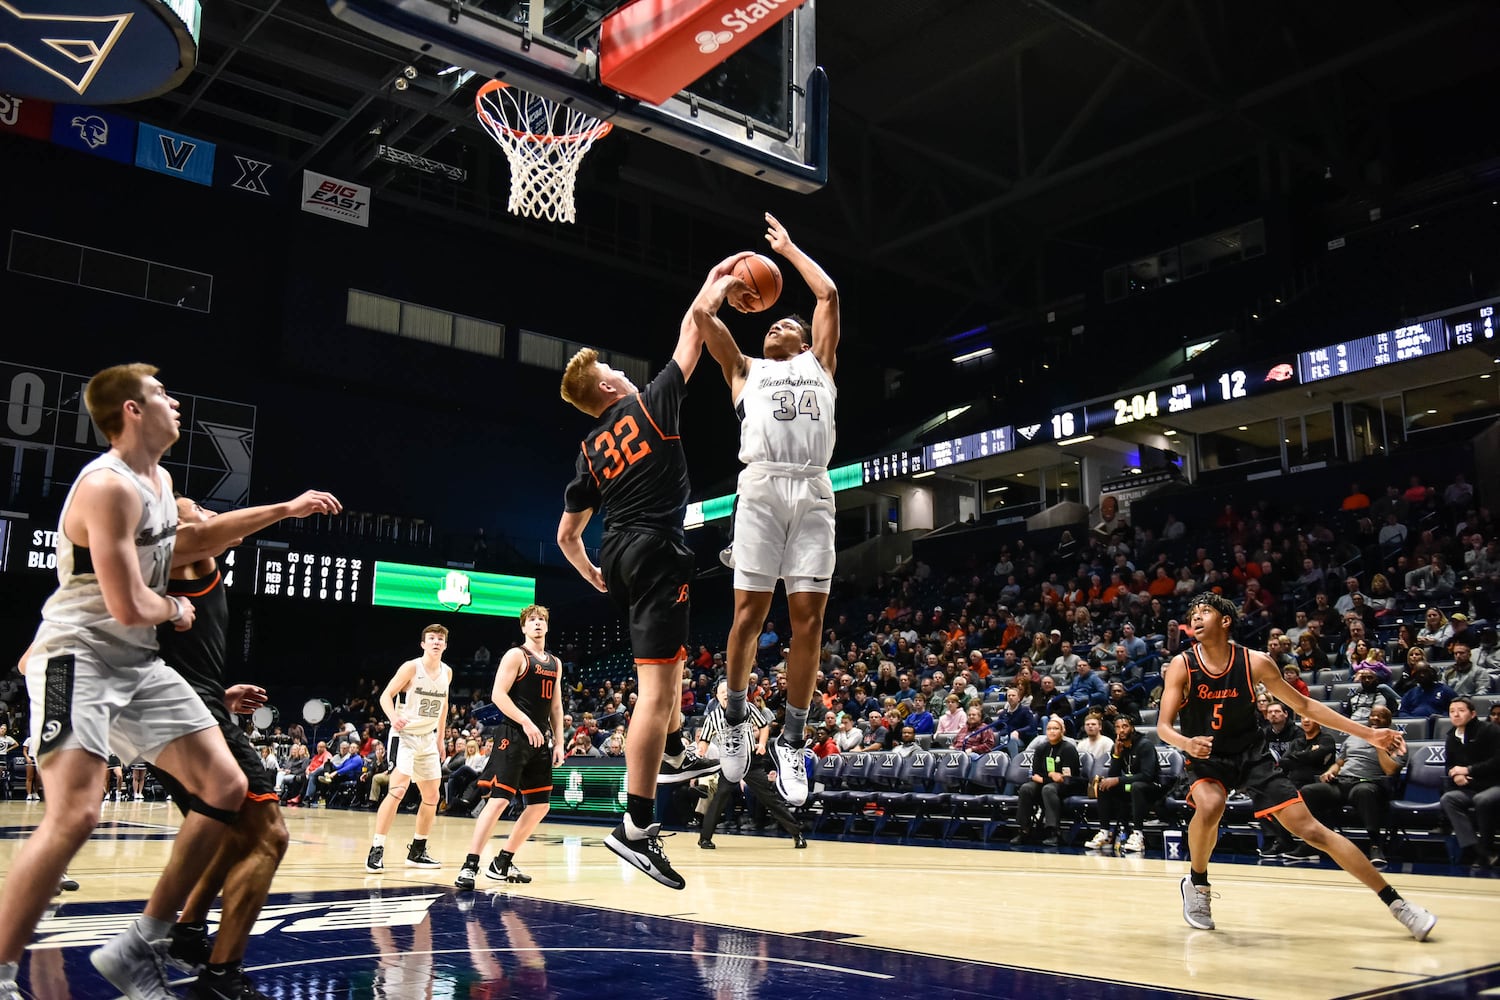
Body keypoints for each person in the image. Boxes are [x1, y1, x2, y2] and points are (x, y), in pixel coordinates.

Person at [0, 364, 265, 1000]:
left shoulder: (161, 479)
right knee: (76, 814)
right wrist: (175, 608)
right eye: (161, 395)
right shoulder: (107, 486)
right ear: (132, 411)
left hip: (136, 662)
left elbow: (186, 546)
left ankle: (138, 945)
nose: (175, 402)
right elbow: (128, 605)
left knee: (225, 785)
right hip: (79, 657)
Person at [556, 254, 739, 891]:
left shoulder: (589, 447)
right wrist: (715, 280)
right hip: (657, 550)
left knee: (671, 673)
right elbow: (695, 327)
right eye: (614, 371)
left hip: (623, 554)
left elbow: (566, 535)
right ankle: (634, 827)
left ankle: (675, 751)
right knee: (655, 695)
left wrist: (595, 574)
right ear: (609, 390)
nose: (623, 373)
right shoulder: (653, 404)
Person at [147, 490, 341, 1000]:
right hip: (187, 716)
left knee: (233, 830)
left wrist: (220, 692)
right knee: (269, 836)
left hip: (191, 707)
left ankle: (187, 930)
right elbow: (226, 531)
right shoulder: (172, 544)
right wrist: (288, 508)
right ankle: (221, 975)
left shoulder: (189, 560)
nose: (208, 512)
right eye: (195, 506)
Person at [1156, 592, 1436, 939]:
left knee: (1312, 831)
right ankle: (1197, 883)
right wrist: (1186, 743)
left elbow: (1305, 705)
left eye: (1205, 612)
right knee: (1211, 805)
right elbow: (1163, 727)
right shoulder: (1184, 664)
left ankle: (1399, 905)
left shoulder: (1255, 662)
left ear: (1225, 621)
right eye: (1192, 613)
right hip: (1206, 757)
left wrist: (1371, 734)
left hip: (1251, 756)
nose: (1195, 618)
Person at [697, 213, 840, 811]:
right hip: (758, 487)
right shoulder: (744, 370)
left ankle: (793, 739)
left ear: (805, 344)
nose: (778, 322)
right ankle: (733, 714)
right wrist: (724, 276)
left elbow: (828, 293)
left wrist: (788, 249)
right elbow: (704, 317)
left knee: (807, 621)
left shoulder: (820, 366)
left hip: (812, 490)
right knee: (749, 615)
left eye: (789, 322)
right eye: (774, 319)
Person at [455, 605, 565, 890]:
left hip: (540, 739)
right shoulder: (517, 655)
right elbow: (498, 695)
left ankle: (502, 862)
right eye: (532, 620)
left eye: (542, 619)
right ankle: (470, 864)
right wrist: (526, 722)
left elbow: (556, 704)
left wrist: (560, 742)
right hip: (513, 734)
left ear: (548, 626)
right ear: (524, 627)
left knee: (539, 806)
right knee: (500, 800)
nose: (538, 623)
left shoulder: (555, 662)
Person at [365, 624, 453, 873]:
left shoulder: (447, 673)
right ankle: (377, 848)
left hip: (428, 738)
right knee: (398, 789)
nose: (436, 642)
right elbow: (385, 695)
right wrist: (393, 717)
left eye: (440, 639)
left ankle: (417, 851)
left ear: (445, 645)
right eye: (431, 638)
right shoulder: (411, 667)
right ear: (423, 644)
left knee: (432, 796)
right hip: (404, 736)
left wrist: (440, 739)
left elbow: (444, 706)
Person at [696, 679, 805, 849]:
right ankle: (704, 838)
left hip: (750, 760)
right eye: (722, 692)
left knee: (770, 798)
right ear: (717, 697)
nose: (726, 694)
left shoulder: (748, 707)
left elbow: (763, 726)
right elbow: (705, 740)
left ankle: (797, 833)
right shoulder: (712, 717)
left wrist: (762, 743)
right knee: (719, 798)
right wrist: (700, 752)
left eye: (728, 692)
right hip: (730, 762)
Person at [1296, 705, 1405, 867]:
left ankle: (1375, 845)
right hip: (1341, 782)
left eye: (1380, 716)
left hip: (1367, 783)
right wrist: (1330, 772)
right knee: (1308, 791)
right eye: (1373, 715)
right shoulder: (1354, 737)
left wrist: (1379, 745)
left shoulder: (1395, 740)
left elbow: (1391, 771)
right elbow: (1339, 763)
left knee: (1364, 792)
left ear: (1388, 721)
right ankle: (1314, 843)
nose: (1375, 718)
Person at [1084, 716, 1162, 854]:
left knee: (1137, 786)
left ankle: (1138, 835)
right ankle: (1105, 833)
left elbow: (1147, 775)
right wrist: (1116, 756)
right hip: (1130, 787)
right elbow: (1113, 775)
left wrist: (1118, 780)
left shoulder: (1145, 745)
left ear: (1132, 728)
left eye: (1125, 726)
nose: (1121, 730)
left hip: (1153, 788)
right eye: (1118, 727)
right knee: (1104, 785)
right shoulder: (1118, 746)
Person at [1439, 697, 1500, 868]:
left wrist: (1469, 770)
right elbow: (1450, 765)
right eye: (1452, 711)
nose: (1456, 714)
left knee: (1483, 800)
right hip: (1471, 787)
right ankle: (1478, 850)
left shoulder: (1490, 730)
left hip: (1495, 784)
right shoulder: (1451, 736)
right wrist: (1455, 775)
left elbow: (1497, 761)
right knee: (1449, 799)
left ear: (1473, 714)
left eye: (1461, 710)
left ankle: (1487, 847)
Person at [1011, 716, 1082, 846]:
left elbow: (1065, 778)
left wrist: (1046, 778)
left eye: (1055, 728)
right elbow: (1035, 773)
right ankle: (1024, 830)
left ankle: (1054, 832)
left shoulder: (1068, 749)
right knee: (1026, 788)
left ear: (1062, 731)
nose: (1052, 731)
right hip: (1046, 782)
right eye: (1049, 729)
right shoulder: (1041, 748)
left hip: (1067, 786)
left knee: (1048, 789)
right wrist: (1050, 775)